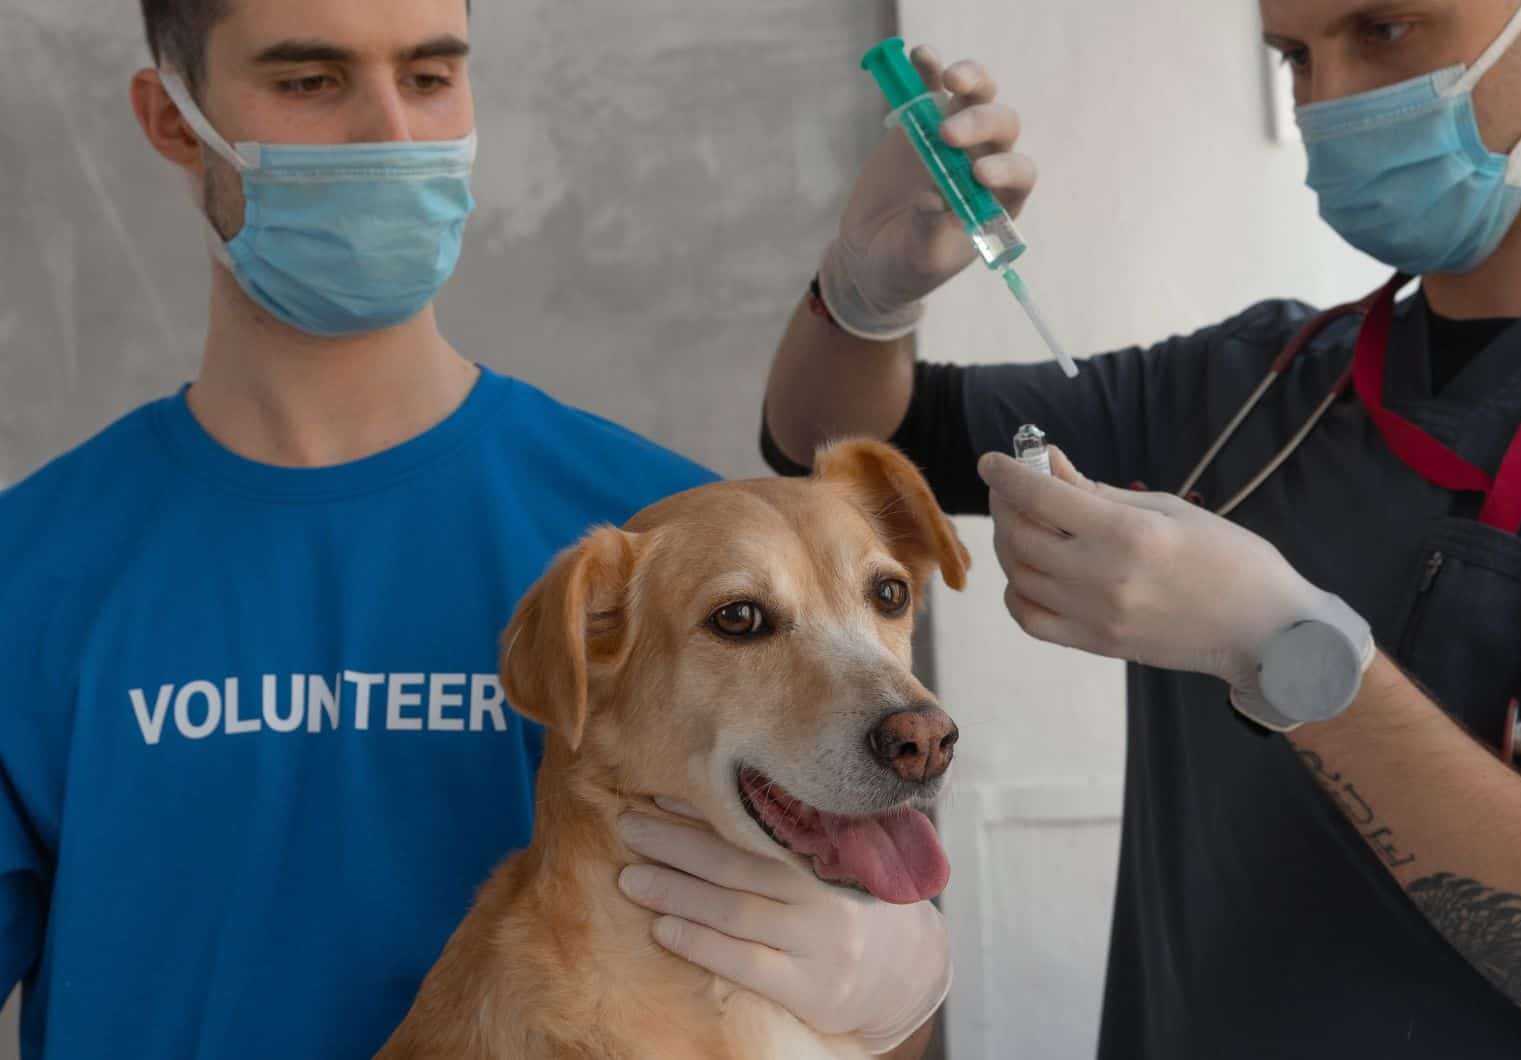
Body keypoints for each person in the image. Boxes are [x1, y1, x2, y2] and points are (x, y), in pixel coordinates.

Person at [0, 1, 1032, 1056]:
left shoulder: (675, 540)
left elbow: (836, 1016)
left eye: (431, 75)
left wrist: (888, 991)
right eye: (310, 81)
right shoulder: (27, 571)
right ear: (173, 118)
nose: (392, 135)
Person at [753, 1, 1521, 1056]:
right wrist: (866, 295)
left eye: (1384, 29)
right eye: (1294, 55)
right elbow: (829, 447)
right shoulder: (1255, 389)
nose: (1327, 99)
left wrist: (1292, 658)